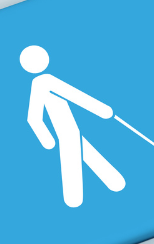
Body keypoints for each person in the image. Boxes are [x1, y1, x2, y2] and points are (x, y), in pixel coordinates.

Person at [21, 45, 126, 208]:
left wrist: (46, 137)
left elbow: (34, 117)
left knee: (84, 151)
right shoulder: (45, 81)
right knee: (72, 155)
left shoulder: (40, 83)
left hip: (71, 129)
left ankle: (115, 182)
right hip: (65, 131)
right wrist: (103, 110)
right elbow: (75, 96)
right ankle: (73, 200)